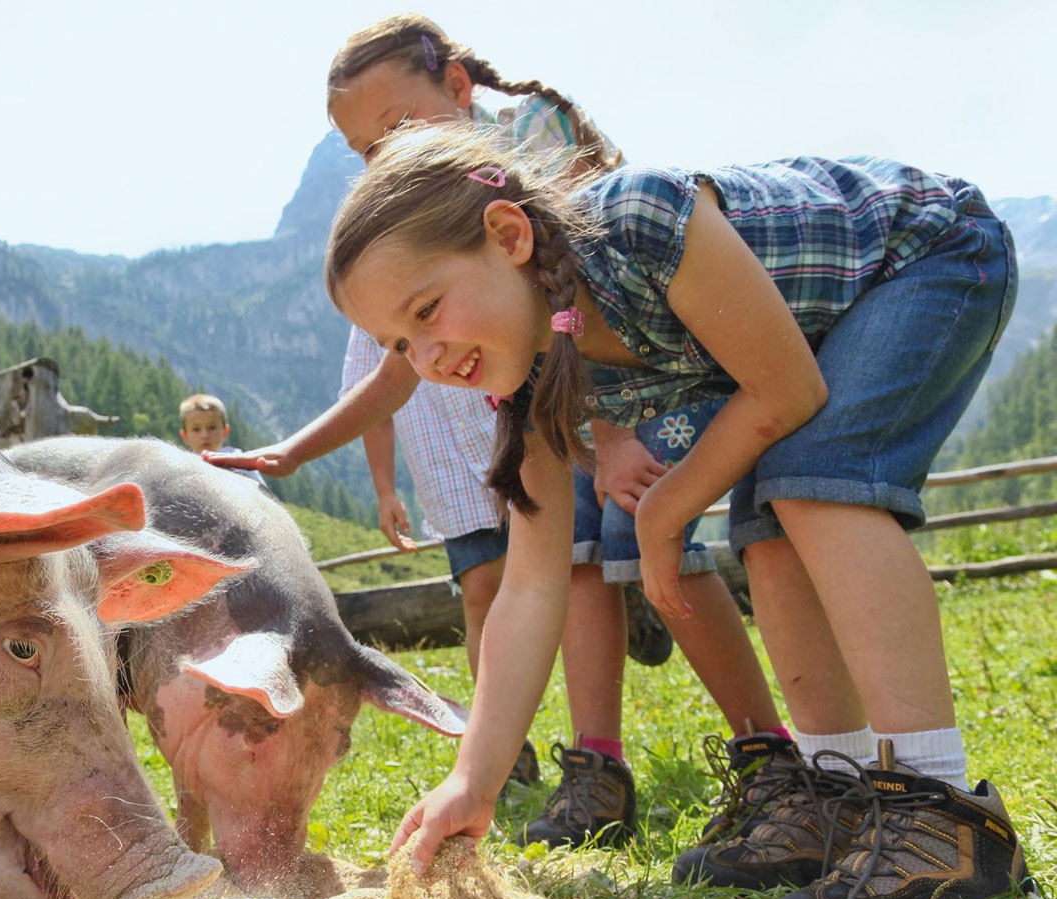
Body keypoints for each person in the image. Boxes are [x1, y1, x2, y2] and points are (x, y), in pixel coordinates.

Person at [326, 121, 1027, 899]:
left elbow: (787, 387)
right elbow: (531, 584)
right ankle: (839, 799)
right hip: (815, 337)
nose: (429, 354)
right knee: (768, 531)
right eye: (401, 344)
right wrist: (473, 780)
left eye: (428, 309)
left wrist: (662, 514)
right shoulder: (535, 383)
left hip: (927, 253)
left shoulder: (639, 225)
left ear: (509, 236)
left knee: (816, 483)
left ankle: (942, 817)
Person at [214, 13, 791, 848]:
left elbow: (590, 278)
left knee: (647, 537)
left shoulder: (532, 144)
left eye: (399, 128)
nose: (386, 157)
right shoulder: (407, 242)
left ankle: (763, 744)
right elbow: (392, 374)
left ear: (456, 86)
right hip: (537, 411)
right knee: (574, 561)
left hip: (620, 393)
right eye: (366, 150)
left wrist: (614, 426)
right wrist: (296, 451)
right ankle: (598, 763)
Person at [179, 393, 263, 484]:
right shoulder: (181, 469)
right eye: (196, 429)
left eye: (212, 428)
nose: (205, 435)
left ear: (225, 431)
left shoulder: (240, 464)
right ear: (184, 436)